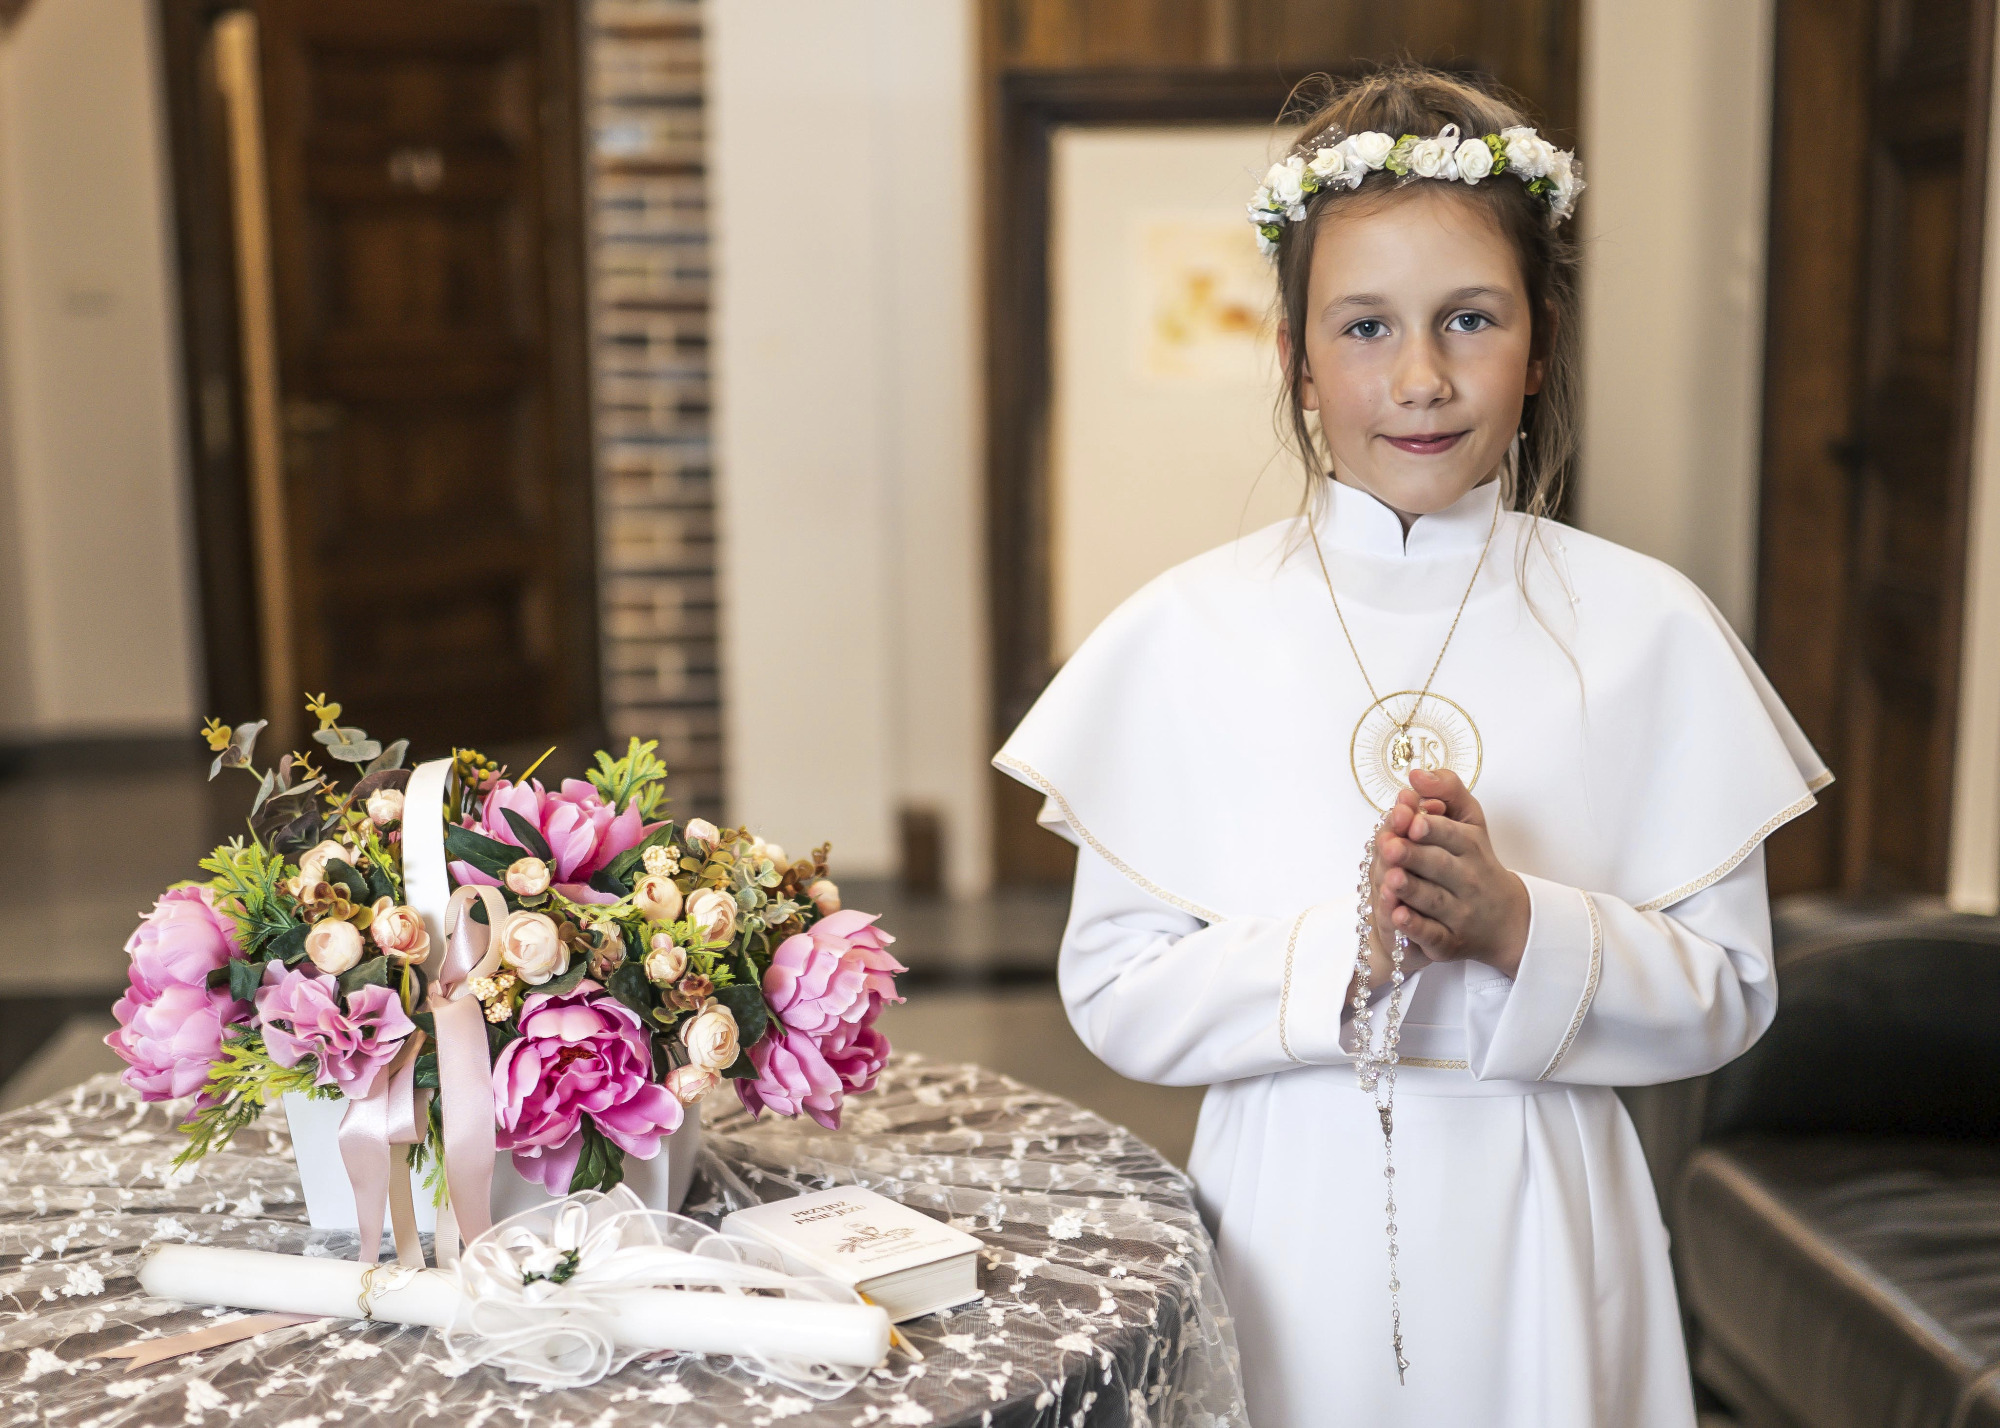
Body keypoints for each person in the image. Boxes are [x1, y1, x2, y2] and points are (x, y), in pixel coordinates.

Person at [994, 66, 1827, 1427]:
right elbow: (1115, 993)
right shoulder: (1190, 632)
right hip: (1286, 1209)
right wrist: (1350, 952)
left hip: (1550, 1214)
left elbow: (1730, 993)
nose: (1422, 377)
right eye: (1367, 325)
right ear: (1295, 356)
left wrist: (1516, 925)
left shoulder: (1646, 627)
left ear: (1540, 346)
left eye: (1471, 320)